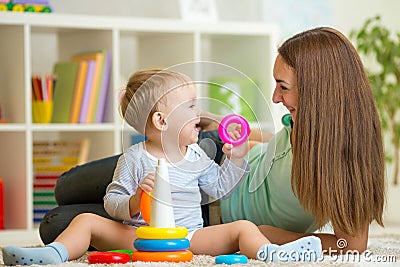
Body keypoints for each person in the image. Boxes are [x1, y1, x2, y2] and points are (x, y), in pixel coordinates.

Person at [2, 69, 322, 266]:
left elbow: (217, 187)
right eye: (192, 106)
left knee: (243, 228)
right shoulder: (135, 158)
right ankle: (53, 255)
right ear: (162, 120)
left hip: (189, 238)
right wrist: (133, 200)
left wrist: (237, 156)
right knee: (87, 220)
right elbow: (112, 203)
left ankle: (274, 255)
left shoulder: (196, 154)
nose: (201, 112)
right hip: (140, 236)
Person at [220, 26, 385, 253]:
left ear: (318, 91)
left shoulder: (344, 156)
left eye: (283, 87)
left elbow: (350, 246)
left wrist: (271, 235)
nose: (275, 98)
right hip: (220, 165)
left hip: (217, 211)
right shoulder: (301, 125)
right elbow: (279, 151)